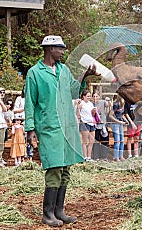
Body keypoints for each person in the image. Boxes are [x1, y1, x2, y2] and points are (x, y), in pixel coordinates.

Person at [25, 35, 95, 227]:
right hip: (48, 126)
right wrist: (30, 128)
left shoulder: (63, 70)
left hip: (67, 125)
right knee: (54, 167)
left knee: (65, 168)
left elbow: (73, 91)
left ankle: (59, 211)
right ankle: (47, 214)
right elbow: (30, 102)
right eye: (60, 48)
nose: (63, 51)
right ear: (49, 49)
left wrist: (85, 76)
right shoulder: (34, 73)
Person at [77, 90, 96, 162]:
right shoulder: (81, 103)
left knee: (92, 141)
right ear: (83, 96)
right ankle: (84, 157)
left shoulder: (91, 104)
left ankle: (89, 157)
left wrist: (94, 111)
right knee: (85, 141)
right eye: (87, 96)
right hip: (84, 123)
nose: (89, 97)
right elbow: (78, 112)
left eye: (89, 96)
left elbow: (92, 114)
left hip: (91, 122)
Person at [92, 91, 112, 161]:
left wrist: (108, 100)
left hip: (103, 124)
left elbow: (109, 105)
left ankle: (104, 157)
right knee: (96, 142)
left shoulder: (102, 102)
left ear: (99, 97)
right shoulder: (91, 104)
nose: (95, 98)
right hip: (95, 125)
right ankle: (96, 157)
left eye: (96, 96)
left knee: (105, 141)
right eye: (94, 96)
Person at [109, 95, 126, 161]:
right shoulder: (116, 104)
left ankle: (121, 156)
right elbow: (110, 115)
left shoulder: (123, 104)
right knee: (117, 140)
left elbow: (122, 115)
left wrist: (125, 120)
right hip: (115, 124)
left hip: (120, 123)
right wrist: (119, 121)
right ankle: (116, 157)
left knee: (122, 140)